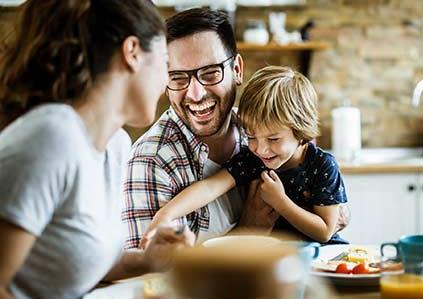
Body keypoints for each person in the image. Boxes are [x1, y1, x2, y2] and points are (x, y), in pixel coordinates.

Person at [0, 1, 194, 299]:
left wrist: (148, 259)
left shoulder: (115, 145)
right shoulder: (51, 138)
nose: (167, 80)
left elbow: (80, 262)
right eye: (166, 62)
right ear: (132, 52)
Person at [122, 8, 281, 249]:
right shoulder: (151, 161)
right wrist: (250, 230)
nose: (195, 94)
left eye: (210, 74)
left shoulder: (263, 134)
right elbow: (153, 279)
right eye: (178, 77)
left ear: (237, 70)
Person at [141, 65, 349, 245]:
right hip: (277, 258)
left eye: (274, 139)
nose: (261, 149)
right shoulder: (253, 160)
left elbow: (324, 231)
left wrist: (280, 202)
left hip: (322, 258)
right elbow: (209, 187)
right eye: (251, 137)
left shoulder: (322, 165)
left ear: (301, 131)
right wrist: (165, 215)